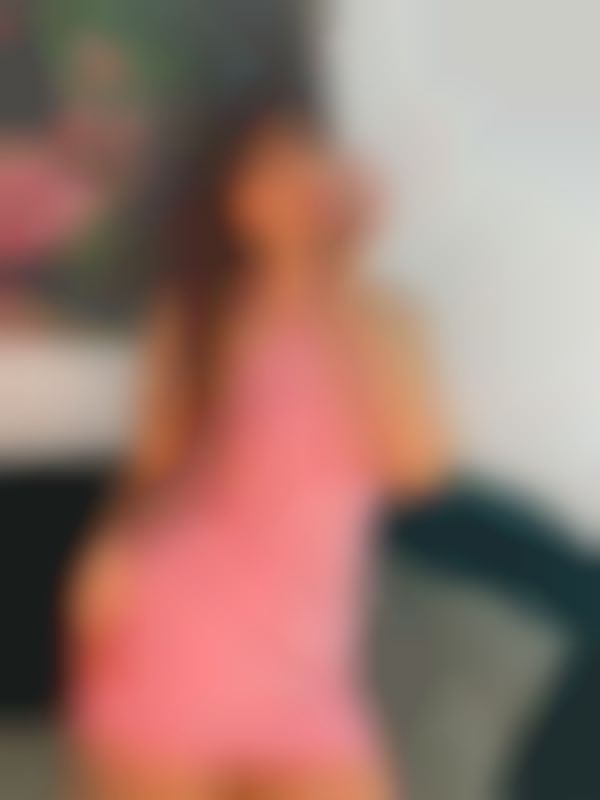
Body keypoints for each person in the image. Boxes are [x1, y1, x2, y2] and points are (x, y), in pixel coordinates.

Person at [64, 98, 450, 800]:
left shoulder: (385, 316)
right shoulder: (196, 318)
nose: (286, 187)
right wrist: (108, 556)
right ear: (229, 199)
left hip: (308, 671)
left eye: (301, 163)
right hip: (171, 636)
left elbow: (415, 470)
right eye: (261, 172)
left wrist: (335, 269)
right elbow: (157, 472)